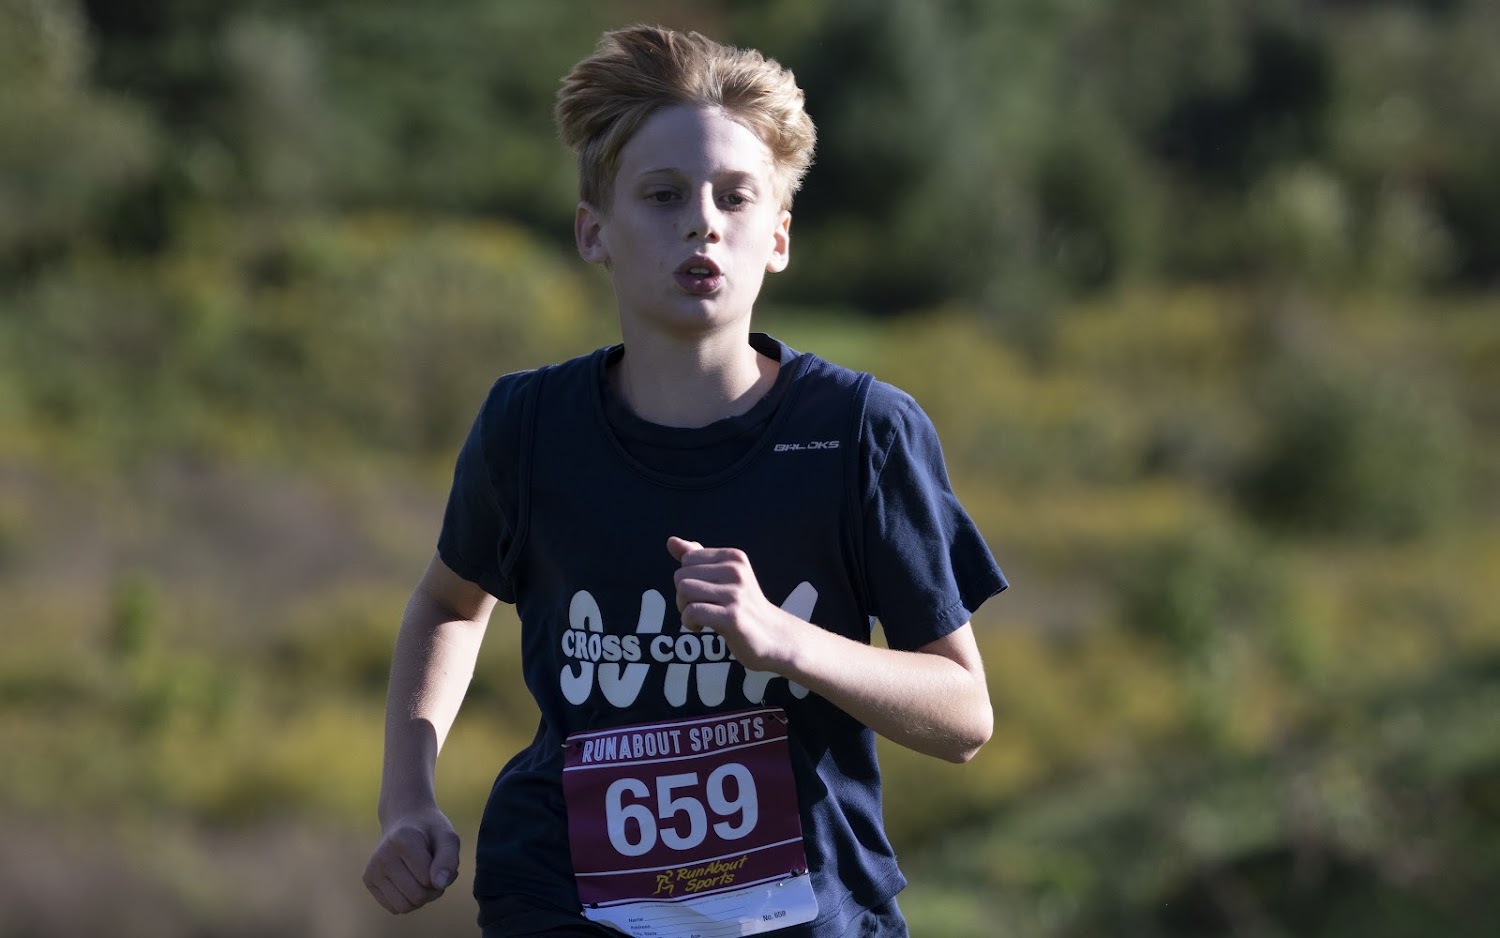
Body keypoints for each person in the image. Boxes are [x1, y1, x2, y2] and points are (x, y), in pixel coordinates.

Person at [362, 24, 1006, 938]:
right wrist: (407, 801)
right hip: (561, 903)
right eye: (663, 195)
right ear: (594, 232)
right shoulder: (529, 425)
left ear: (777, 237)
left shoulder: (863, 431)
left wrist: (787, 641)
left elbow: (963, 715)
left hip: (808, 918)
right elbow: (449, 605)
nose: (702, 221)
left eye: (735, 196)